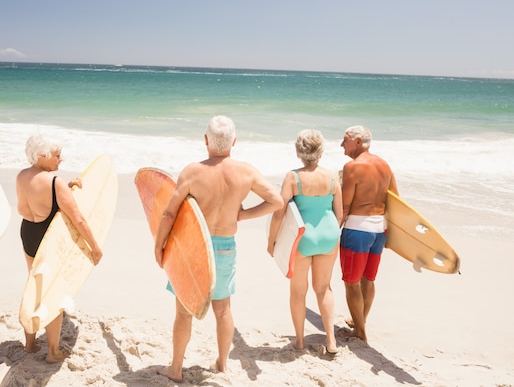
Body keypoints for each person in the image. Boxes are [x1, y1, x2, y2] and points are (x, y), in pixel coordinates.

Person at [154, 115, 283, 382]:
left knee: (183, 311)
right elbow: (276, 200)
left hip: (193, 246)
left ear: (205, 140)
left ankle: (176, 369)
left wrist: (160, 245)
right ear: (234, 141)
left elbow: (169, 214)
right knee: (222, 310)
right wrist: (243, 215)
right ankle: (223, 365)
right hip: (224, 247)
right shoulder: (246, 172)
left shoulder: (192, 172)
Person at [16, 135, 103, 363]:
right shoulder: (54, 182)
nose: (61, 159)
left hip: (28, 234)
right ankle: (53, 352)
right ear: (42, 156)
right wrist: (95, 246)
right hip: (48, 238)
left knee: (35, 287)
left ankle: (30, 343)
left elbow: (41, 201)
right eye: (57, 155)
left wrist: (68, 187)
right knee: (53, 294)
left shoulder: (21, 176)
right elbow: (78, 219)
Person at [268, 129, 342, 354]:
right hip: (329, 235)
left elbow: (280, 212)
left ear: (299, 150)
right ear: (321, 150)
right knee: (324, 288)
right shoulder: (331, 176)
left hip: (303, 238)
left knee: (298, 291)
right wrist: (330, 233)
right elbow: (339, 214)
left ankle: (299, 342)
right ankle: (331, 341)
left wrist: (272, 240)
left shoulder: (293, 177)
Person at [339, 125, 397, 342]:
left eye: (345, 140)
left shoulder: (352, 167)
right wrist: (392, 236)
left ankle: (360, 333)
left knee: (351, 282)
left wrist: (329, 233)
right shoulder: (385, 165)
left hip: (357, 230)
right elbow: (396, 202)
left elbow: (345, 207)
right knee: (368, 279)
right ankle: (359, 320)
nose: (341, 144)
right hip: (379, 231)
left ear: (358, 141)